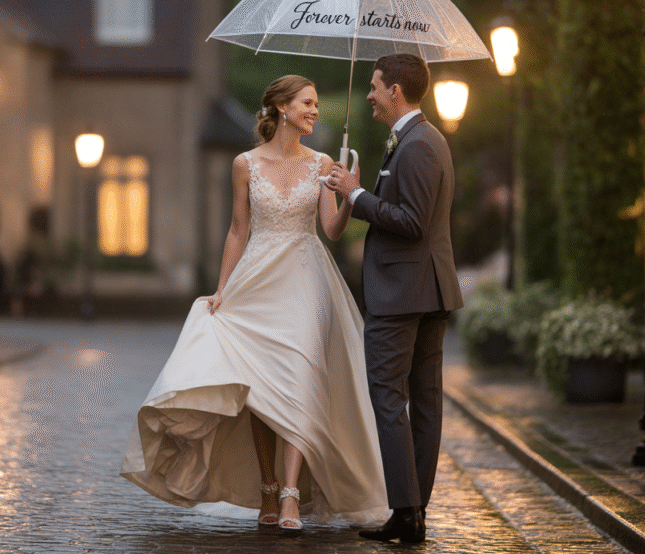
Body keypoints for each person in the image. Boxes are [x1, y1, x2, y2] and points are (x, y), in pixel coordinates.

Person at [121, 75, 388, 534]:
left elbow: (333, 230)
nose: (314, 111)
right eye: (307, 103)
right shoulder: (244, 163)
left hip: (306, 281)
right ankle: (267, 486)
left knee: (301, 379)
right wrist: (223, 289)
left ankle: (289, 495)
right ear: (282, 108)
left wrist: (347, 195)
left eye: (315, 105)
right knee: (260, 390)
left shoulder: (324, 162)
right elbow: (237, 230)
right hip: (257, 282)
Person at [325, 54, 464, 544]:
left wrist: (355, 195)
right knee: (423, 401)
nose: (369, 95)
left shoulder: (421, 144)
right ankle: (413, 513)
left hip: (405, 294)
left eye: (375, 86)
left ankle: (407, 511)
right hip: (424, 290)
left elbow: (411, 221)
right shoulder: (416, 140)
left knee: (390, 397)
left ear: (397, 91)